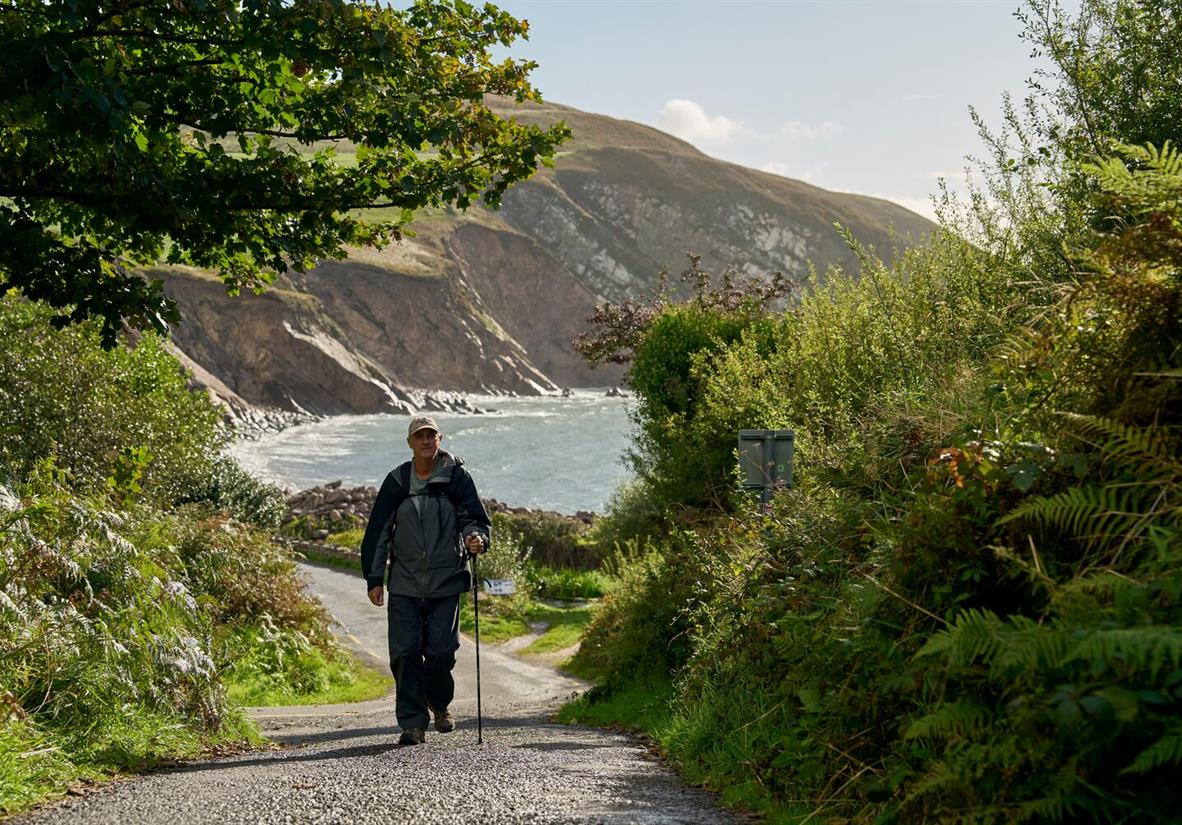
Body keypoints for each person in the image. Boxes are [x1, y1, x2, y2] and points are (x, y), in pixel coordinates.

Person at [360, 414, 491, 746]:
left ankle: (440, 703)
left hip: (446, 581)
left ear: (440, 439)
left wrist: (476, 538)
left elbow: (474, 519)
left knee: (441, 653)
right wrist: (374, 578)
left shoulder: (456, 477)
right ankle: (412, 723)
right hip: (404, 584)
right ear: (410, 443)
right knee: (405, 654)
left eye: (431, 435)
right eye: (420, 436)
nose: (426, 441)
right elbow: (377, 532)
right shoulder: (397, 481)